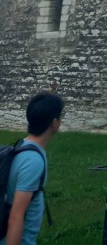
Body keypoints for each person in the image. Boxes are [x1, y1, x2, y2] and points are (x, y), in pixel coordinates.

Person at [0, 92, 63, 245]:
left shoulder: (23, 144)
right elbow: (16, 216)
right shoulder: (32, 161)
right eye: (60, 116)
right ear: (54, 122)